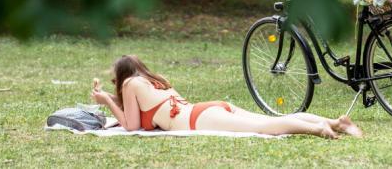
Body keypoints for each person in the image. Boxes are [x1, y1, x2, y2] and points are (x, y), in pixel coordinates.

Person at [90, 55, 362, 139]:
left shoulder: (129, 85)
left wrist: (107, 100)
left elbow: (131, 125)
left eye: (115, 79)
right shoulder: (153, 81)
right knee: (271, 120)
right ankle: (337, 122)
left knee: (264, 128)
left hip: (198, 118)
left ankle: (318, 129)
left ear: (122, 75)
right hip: (206, 109)